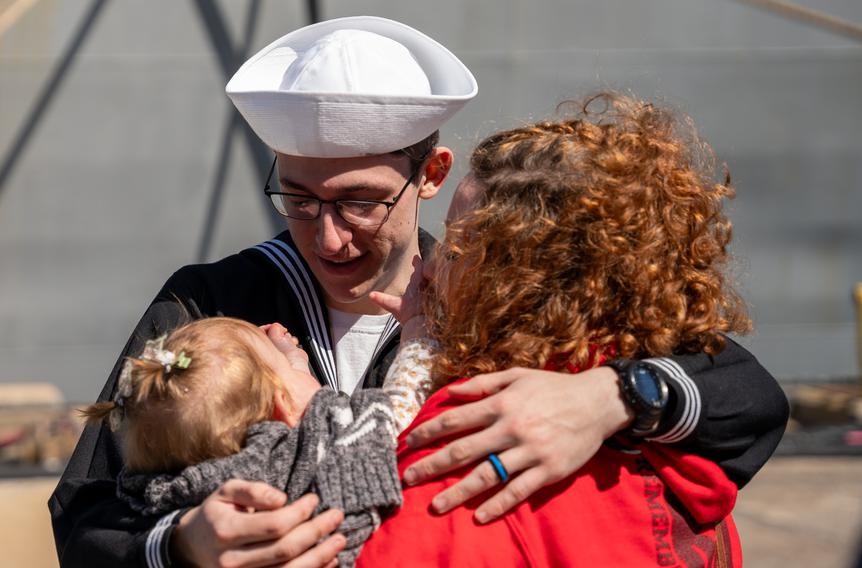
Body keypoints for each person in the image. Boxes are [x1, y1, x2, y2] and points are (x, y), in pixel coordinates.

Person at [49, 16, 788, 568]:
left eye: (360, 203)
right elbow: (86, 510)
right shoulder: (212, 303)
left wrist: (608, 396)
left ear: (432, 175)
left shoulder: (499, 305)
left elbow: (748, 396)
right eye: (299, 200)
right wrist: (183, 545)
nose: (328, 237)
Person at [359, 93, 753, 566]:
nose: (427, 270)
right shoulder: (687, 449)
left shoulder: (467, 455)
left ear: (515, 285)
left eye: (457, 250)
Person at [81, 317, 400, 568]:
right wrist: (415, 333)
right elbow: (363, 426)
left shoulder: (156, 489)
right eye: (285, 367)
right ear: (282, 408)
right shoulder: (298, 462)